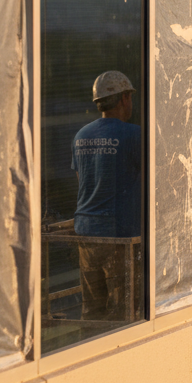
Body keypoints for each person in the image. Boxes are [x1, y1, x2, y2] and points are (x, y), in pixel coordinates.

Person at [71, 71, 142, 320]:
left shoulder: (80, 137)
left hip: (87, 233)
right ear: (124, 99)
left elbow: (83, 183)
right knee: (125, 311)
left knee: (92, 311)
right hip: (118, 235)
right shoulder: (134, 136)